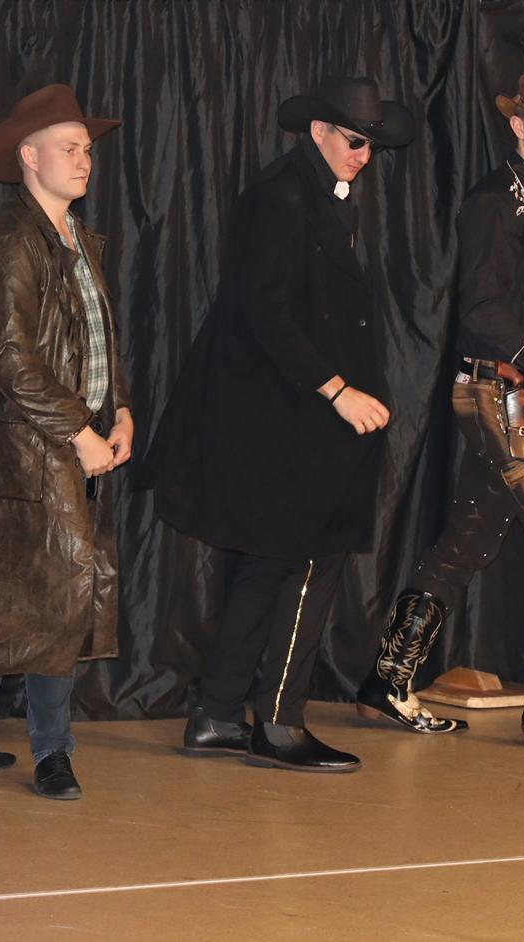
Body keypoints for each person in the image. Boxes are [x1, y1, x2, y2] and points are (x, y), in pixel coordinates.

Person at [353, 71, 524, 751]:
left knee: (469, 541)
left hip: (521, 394)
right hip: (498, 394)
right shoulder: (492, 204)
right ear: (517, 125)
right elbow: (481, 312)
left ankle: (388, 679)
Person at [148, 77, 414, 773]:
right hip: (282, 415)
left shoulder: (318, 194)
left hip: (290, 413)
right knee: (304, 561)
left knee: (270, 564)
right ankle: (278, 722)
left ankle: (216, 715)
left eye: (371, 145)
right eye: (354, 141)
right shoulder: (281, 197)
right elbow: (262, 310)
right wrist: (337, 390)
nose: (364, 155)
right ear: (318, 131)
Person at [0, 84, 129, 800]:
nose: (84, 161)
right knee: (55, 592)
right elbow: (12, 358)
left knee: (12, 594)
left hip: (60, 438)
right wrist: (80, 431)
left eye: (86, 150)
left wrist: (120, 410)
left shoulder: (76, 239)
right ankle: (53, 753)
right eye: (68, 148)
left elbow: (97, 339)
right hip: (26, 448)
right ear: (28, 156)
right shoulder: (13, 245)